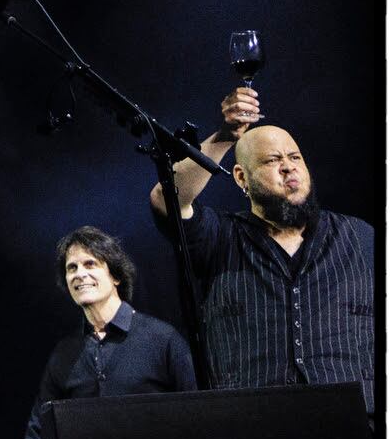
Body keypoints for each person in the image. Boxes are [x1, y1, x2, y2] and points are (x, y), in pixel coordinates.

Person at [148, 84, 375, 391]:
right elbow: (167, 199)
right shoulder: (221, 236)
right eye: (272, 160)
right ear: (241, 177)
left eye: (295, 157)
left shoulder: (359, 236)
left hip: (352, 413)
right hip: (252, 414)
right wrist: (226, 136)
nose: (288, 167)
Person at [20, 226, 194, 439]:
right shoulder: (64, 354)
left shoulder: (162, 339)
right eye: (72, 268)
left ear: (115, 276)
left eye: (90, 264)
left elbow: (195, 419)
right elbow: (39, 434)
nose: (79, 274)